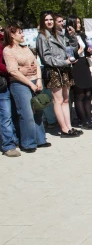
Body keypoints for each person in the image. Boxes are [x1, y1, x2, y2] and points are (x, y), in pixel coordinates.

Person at [3, 21, 51, 152]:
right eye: (19, 32)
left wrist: (39, 81)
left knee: (38, 111)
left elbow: (36, 64)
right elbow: (12, 71)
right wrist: (30, 83)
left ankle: (40, 139)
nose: (22, 34)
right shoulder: (8, 50)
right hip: (20, 85)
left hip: (35, 82)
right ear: (12, 35)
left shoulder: (25, 48)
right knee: (27, 114)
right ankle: (28, 143)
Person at [37, 12, 81, 138]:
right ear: (42, 21)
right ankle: (64, 129)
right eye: (46, 20)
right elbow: (46, 58)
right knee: (58, 100)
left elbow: (71, 48)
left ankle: (69, 127)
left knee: (66, 99)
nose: (49, 22)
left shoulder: (59, 34)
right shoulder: (42, 36)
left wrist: (72, 37)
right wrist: (64, 61)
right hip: (53, 70)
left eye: (51, 19)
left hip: (65, 68)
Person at [66, 17, 92, 129]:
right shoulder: (68, 37)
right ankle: (83, 120)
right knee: (80, 94)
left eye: (79, 22)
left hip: (84, 63)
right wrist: (77, 51)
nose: (79, 24)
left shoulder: (82, 35)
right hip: (76, 65)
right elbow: (70, 52)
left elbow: (85, 49)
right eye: (77, 22)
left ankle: (89, 118)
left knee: (88, 93)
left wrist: (89, 51)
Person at [0, 28, 20, 157]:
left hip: (10, 80)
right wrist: (11, 69)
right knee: (5, 114)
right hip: (3, 80)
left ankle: (13, 139)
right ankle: (8, 145)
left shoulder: (4, 39)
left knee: (11, 112)